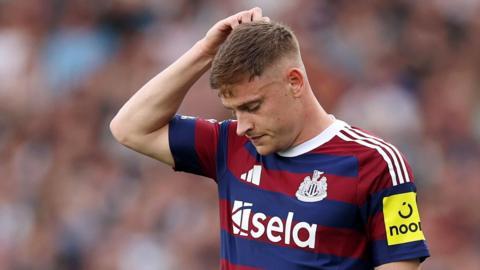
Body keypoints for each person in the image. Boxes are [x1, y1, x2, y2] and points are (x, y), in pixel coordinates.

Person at [110, 7, 430, 270]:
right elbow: (129, 127)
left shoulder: (377, 164)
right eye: (234, 110)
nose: (241, 125)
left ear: (294, 82)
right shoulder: (229, 145)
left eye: (252, 107)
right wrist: (206, 51)